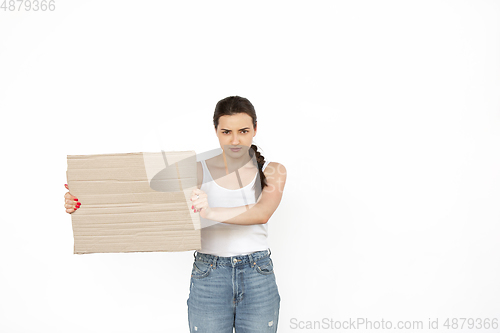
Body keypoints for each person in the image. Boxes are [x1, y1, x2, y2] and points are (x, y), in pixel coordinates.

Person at [64, 96, 287, 332]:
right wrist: (84, 201)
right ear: (216, 131)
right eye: (226, 132)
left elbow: (262, 213)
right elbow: (142, 197)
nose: (235, 140)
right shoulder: (198, 168)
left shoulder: (273, 170)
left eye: (243, 131)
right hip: (209, 273)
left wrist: (210, 211)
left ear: (254, 129)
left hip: (257, 273)